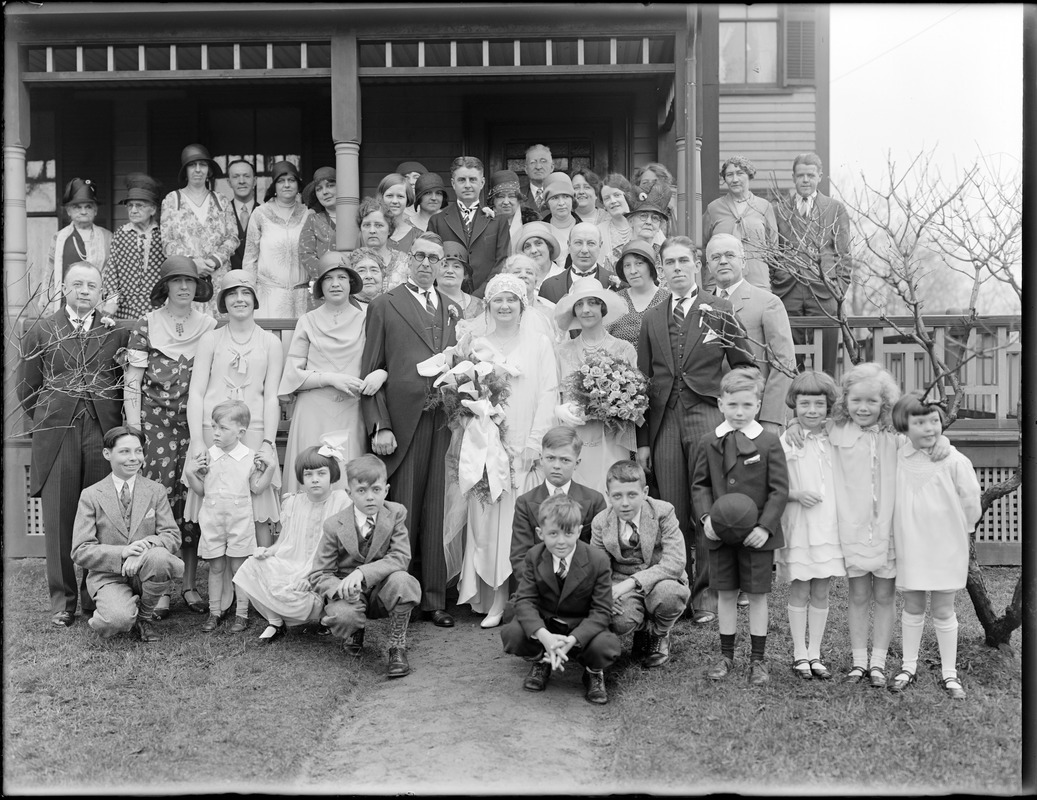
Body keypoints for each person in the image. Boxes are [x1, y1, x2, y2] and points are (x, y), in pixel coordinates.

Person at [784, 362, 950, 687]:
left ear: (885, 403)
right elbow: (809, 424)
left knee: (886, 596)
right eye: (856, 400)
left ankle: (878, 662)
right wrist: (792, 423)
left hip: (887, 529)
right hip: (852, 529)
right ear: (844, 400)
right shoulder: (835, 430)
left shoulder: (895, 435)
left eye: (872, 401)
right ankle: (859, 662)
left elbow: (926, 439)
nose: (863, 408)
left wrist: (942, 442)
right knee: (858, 595)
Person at [635, 236, 754, 626]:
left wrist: (735, 410)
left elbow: (744, 365)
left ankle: (706, 596)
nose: (677, 269)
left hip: (705, 415)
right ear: (661, 269)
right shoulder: (652, 318)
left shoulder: (718, 309)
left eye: (684, 261)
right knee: (672, 507)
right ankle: (676, 590)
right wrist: (643, 442)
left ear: (696, 264)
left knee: (706, 507)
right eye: (669, 263)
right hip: (664, 420)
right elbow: (642, 382)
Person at [18, 262, 131, 627]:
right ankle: (63, 601)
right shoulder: (41, 329)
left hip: (102, 433)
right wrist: (54, 418)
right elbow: (27, 390)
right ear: (63, 287)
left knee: (100, 519)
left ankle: (93, 595)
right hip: (59, 432)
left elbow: (120, 382)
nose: (85, 291)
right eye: (77, 284)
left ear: (101, 293)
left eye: (92, 285)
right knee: (61, 516)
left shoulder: (114, 332)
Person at [360, 232, 461, 627]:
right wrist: (379, 425)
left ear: (442, 265)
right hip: (401, 424)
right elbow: (370, 368)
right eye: (418, 255)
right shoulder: (385, 305)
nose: (425, 263)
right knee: (401, 509)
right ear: (407, 260)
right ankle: (395, 594)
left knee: (437, 507)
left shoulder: (451, 308)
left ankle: (434, 598)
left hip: (442, 421)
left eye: (434, 258)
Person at [456, 273, 558, 628]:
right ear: (488, 306)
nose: (504, 306)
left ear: (522, 306)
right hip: (487, 446)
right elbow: (465, 397)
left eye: (511, 300)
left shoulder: (539, 344)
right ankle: (496, 597)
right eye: (497, 299)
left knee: (522, 524)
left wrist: (534, 443)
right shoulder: (476, 345)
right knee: (489, 524)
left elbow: (549, 392)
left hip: (524, 447)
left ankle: (528, 598)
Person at [123, 256, 216, 618]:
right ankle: (158, 587)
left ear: (198, 287)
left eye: (189, 282)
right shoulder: (147, 325)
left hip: (195, 427)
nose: (183, 288)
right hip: (154, 427)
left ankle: (190, 585)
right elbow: (132, 382)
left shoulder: (208, 326)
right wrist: (136, 431)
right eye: (176, 281)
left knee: (193, 504)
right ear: (165, 286)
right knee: (158, 508)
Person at [691, 368, 789, 685]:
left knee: (757, 595)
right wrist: (707, 519)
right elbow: (700, 485)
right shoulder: (708, 442)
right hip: (720, 535)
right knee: (726, 593)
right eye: (732, 405)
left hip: (757, 536)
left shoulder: (770, 442)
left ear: (757, 406)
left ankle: (758, 661)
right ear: (720, 404)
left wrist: (765, 527)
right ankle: (726, 656)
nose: (739, 412)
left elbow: (779, 490)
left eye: (747, 405)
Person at [888, 393, 981, 699]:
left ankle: (949, 673)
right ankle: (909, 666)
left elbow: (970, 501)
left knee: (943, 609)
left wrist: (962, 532)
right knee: (912, 605)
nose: (929, 428)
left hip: (945, 545)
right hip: (910, 543)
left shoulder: (953, 459)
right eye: (919, 422)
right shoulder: (898, 456)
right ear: (904, 426)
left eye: (934, 421)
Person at [185, 270, 283, 557]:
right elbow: (197, 393)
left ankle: (259, 582)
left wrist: (268, 440)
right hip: (212, 430)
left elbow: (271, 396)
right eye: (232, 294)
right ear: (223, 302)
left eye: (245, 293)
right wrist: (197, 440)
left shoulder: (270, 343)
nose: (239, 299)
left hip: (253, 431)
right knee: (215, 501)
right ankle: (221, 580)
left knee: (258, 503)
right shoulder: (210, 340)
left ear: (254, 299)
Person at [500, 493, 621, 705]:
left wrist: (574, 639)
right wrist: (544, 636)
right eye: (553, 533)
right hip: (547, 623)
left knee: (606, 646)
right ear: (540, 533)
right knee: (513, 633)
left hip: (581, 626)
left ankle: (593, 671)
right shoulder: (534, 556)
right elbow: (525, 600)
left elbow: (602, 610)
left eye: (568, 533)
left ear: (579, 531)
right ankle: (541, 660)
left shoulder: (598, 559)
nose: (561, 541)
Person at [309, 454, 422, 679]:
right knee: (343, 615)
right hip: (350, 596)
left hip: (383, 591)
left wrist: (362, 572)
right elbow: (319, 574)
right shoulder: (334, 525)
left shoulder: (396, 513)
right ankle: (354, 631)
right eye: (361, 491)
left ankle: (396, 646)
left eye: (376, 490)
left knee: (404, 581)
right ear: (349, 494)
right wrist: (340, 587)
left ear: (386, 490)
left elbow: (400, 557)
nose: (370, 497)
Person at [278, 253, 381, 494]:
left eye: (342, 277)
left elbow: (382, 363)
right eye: (328, 278)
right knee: (311, 479)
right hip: (313, 411)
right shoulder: (307, 321)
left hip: (351, 411)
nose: (335, 283)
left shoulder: (367, 320)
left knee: (347, 480)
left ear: (351, 284)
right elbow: (292, 375)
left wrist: (381, 375)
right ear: (320, 286)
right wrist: (330, 378)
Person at [70, 426, 184, 642]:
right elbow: (80, 550)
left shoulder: (155, 490)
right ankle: (119, 610)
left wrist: (143, 550)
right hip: (108, 575)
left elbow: (171, 535)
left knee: (160, 557)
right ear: (107, 454)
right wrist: (124, 552)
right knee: (116, 621)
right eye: (124, 452)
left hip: (146, 568)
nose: (134, 458)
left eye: (138, 451)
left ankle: (144, 616)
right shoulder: (91, 495)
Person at [233, 444, 352, 640]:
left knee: (302, 594)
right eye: (308, 474)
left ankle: (325, 615)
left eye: (321, 473)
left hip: (323, 568)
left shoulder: (341, 502)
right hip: (293, 561)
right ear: (301, 477)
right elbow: (283, 542)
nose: (314, 479)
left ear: (332, 474)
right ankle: (275, 622)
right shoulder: (294, 502)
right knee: (251, 566)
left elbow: (342, 548)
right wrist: (268, 551)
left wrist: (313, 576)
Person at [773, 371, 845, 680]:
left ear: (829, 406)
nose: (812, 411)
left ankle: (815, 652)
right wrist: (795, 494)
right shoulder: (788, 442)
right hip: (800, 524)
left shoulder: (836, 438)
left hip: (829, 526)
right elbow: (772, 485)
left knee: (821, 589)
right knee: (799, 587)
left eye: (819, 403)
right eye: (805, 404)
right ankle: (798, 653)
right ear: (794, 405)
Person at [183, 400, 277, 633]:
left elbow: (256, 487)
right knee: (216, 567)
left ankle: (242, 614)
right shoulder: (208, 456)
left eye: (223, 428)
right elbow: (202, 490)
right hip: (213, 521)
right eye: (214, 426)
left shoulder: (249, 456)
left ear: (241, 432)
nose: (215, 432)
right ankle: (215, 612)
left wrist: (271, 469)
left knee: (239, 567)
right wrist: (190, 473)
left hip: (239, 522)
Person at [590, 460, 690, 668]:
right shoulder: (600, 522)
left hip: (661, 579)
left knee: (670, 595)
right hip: (620, 581)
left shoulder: (663, 512)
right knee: (619, 618)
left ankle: (660, 633)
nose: (625, 503)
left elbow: (675, 561)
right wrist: (607, 591)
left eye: (632, 495)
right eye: (617, 496)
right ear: (608, 496)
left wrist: (630, 583)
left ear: (644, 492)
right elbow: (598, 567)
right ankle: (643, 629)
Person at [704, 233, 795, 435]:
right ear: (708, 266)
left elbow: (783, 363)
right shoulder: (700, 306)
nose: (723, 261)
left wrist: (771, 418)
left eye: (730, 255)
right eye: (716, 257)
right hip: (709, 416)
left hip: (753, 413)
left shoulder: (767, 303)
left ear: (743, 261)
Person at [553, 277, 637, 495]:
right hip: (574, 438)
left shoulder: (624, 349)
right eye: (579, 305)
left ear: (603, 307)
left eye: (592, 303)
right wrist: (561, 409)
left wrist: (613, 404)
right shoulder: (562, 351)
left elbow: (635, 398)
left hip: (612, 438)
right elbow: (554, 394)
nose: (586, 310)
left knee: (613, 494)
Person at [771, 152, 852, 373]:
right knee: (789, 355)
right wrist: (776, 282)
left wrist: (838, 287)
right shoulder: (778, 209)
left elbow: (844, 253)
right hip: (788, 291)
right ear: (793, 177)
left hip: (824, 291)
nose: (805, 180)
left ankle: (825, 404)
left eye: (810, 175)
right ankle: (793, 403)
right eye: (800, 175)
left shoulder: (835, 208)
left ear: (820, 177)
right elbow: (771, 249)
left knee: (826, 359)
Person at [509, 426, 606, 578]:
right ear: (541, 459)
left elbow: (600, 553)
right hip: (538, 587)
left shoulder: (594, 500)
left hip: (582, 586)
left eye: (565, 460)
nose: (556, 466)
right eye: (550, 458)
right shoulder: (525, 503)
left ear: (577, 462)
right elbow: (519, 557)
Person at [160, 143, 239, 316]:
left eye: (202, 165)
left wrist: (213, 261)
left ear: (209, 170)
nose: (198, 170)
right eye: (192, 165)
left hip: (217, 277)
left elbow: (233, 237)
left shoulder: (221, 201)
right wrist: (193, 264)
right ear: (185, 170)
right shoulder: (172, 200)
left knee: (218, 332)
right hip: (186, 279)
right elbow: (167, 242)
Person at [428, 156, 511, 297]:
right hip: (447, 296)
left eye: (472, 179)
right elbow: (431, 259)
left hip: (488, 296)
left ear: (482, 182)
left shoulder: (498, 221)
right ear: (453, 184)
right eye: (462, 180)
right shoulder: (437, 221)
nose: (467, 185)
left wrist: (480, 295)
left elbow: (502, 261)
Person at [242, 159, 310, 318]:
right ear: (274, 186)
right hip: (268, 296)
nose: (287, 185)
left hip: (302, 297)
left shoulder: (308, 214)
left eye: (291, 180)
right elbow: (250, 259)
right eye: (281, 181)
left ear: (298, 185)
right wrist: (249, 292)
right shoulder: (260, 214)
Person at [702, 156, 778, 292]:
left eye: (740, 173)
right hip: (720, 284)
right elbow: (702, 246)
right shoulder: (713, 208)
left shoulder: (764, 207)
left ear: (749, 175)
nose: (735, 179)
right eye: (729, 175)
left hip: (757, 282)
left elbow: (773, 248)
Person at [102, 173, 163, 320]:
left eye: (140, 205)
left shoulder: (162, 235)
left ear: (153, 209)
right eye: (130, 205)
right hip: (126, 308)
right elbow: (112, 272)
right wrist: (111, 301)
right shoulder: (121, 234)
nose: (133, 210)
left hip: (158, 307)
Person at [47, 178, 113, 313]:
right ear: (69, 211)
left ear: (95, 211)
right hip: (64, 303)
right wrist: (46, 301)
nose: (83, 211)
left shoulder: (108, 237)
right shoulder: (59, 238)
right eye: (77, 207)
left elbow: (113, 274)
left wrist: (110, 303)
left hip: (97, 304)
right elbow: (50, 273)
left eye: (88, 207)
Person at [606, 240, 669, 346]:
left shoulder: (667, 300)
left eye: (639, 263)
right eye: (627, 265)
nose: (633, 271)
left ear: (650, 267)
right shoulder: (615, 301)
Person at [538, 223, 610, 304]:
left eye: (591, 243)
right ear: (569, 245)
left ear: (600, 246)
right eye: (578, 243)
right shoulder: (549, 287)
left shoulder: (616, 284)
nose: (584, 250)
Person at [501, 253, 558, 342]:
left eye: (529, 272)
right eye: (517, 272)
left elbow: (561, 346)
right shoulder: (498, 308)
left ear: (536, 281)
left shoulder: (550, 309)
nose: (523, 275)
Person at [357, 196, 410, 292]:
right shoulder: (352, 262)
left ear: (389, 229)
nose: (372, 231)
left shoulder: (404, 262)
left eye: (379, 225)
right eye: (367, 225)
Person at [298, 166, 337, 281]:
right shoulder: (312, 220)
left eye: (330, 186)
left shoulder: (356, 217)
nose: (325, 192)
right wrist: (329, 276)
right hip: (323, 283)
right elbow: (306, 254)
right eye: (319, 189)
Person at [625, 181, 672, 275]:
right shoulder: (614, 255)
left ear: (660, 225)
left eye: (655, 218)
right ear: (631, 221)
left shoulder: (667, 256)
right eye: (643, 216)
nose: (648, 222)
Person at [487, 169, 538, 253]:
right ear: (493, 201)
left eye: (511, 196)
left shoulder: (532, 222)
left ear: (519, 199)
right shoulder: (484, 222)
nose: (506, 202)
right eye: (501, 197)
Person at [597, 173, 636, 274]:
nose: (612, 201)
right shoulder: (598, 231)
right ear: (604, 205)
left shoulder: (645, 224)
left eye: (617, 195)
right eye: (607, 198)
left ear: (627, 196)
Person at [436, 242, 484, 319]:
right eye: (444, 265)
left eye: (456, 266)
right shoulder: (423, 301)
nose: (450, 271)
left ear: (465, 274)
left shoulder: (479, 306)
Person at [541, 172, 581, 264]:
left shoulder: (586, 230)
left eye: (566, 196)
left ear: (572, 199)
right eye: (554, 198)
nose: (561, 203)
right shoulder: (538, 233)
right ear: (547, 203)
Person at [226, 159, 258, 272]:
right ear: (229, 182)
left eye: (246, 176)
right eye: (235, 176)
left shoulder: (265, 213)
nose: (241, 181)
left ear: (255, 181)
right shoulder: (221, 213)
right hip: (228, 281)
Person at [379, 173, 421, 255]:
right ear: (382, 198)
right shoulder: (369, 232)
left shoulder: (418, 236)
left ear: (407, 199)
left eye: (400, 196)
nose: (395, 201)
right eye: (389, 195)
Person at [516, 221, 563, 288]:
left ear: (549, 247)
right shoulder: (518, 281)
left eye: (538, 243)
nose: (533, 250)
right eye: (527, 246)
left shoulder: (565, 277)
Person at [521, 144, 554, 215]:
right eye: (533, 162)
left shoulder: (560, 194)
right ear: (526, 169)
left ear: (552, 167)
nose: (538, 167)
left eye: (543, 161)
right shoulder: (518, 195)